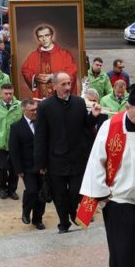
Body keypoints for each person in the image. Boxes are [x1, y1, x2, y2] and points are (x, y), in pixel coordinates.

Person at [79, 84, 135, 267]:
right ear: (128, 108)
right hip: (117, 199)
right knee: (123, 244)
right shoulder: (111, 127)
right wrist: (102, 194)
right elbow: (97, 161)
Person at [34, 72, 104, 234]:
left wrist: (93, 117)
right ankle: (63, 222)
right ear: (54, 86)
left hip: (77, 158)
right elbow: (40, 136)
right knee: (59, 195)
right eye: (63, 84)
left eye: (69, 83)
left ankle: (73, 212)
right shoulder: (45, 107)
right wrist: (41, 163)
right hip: (55, 160)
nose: (67, 87)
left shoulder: (79, 103)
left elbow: (86, 127)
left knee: (75, 192)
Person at [10, 99, 46, 230]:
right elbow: (14, 150)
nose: (35, 112)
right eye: (32, 110)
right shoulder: (16, 127)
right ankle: (26, 212)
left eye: (36, 109)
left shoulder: (42, 124)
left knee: (42, 194)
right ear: (24, 111)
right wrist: (18, 169)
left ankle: (38, 219)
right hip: (27, 167)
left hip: (42, 166)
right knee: (32, 191)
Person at [21, 25, 78, 99]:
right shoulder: (33, 55)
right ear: (38, 39)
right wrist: (35, 78)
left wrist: (53, 77)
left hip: (60, 97)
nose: (44, 39)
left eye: (47, 35)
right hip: (41, 96)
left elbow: (72, 71)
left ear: (52, 36)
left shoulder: (64, 54)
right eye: (40, 36)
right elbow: (25, 70)